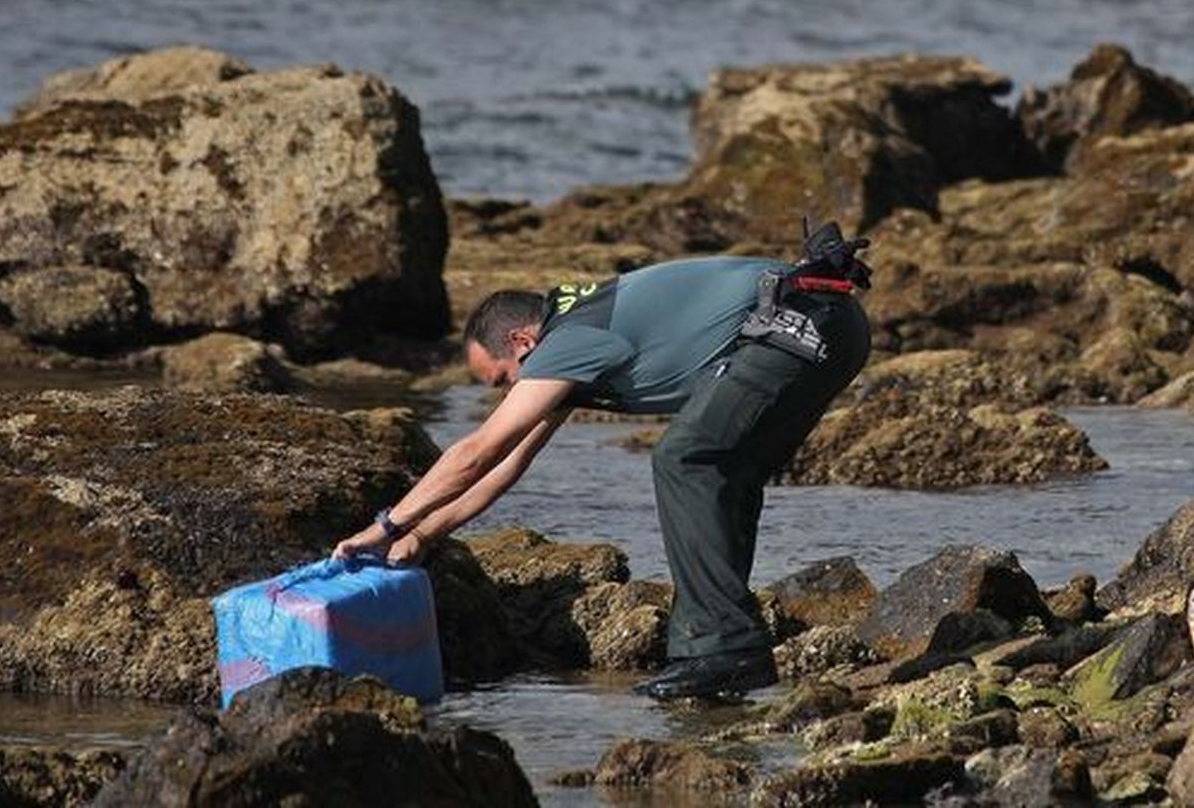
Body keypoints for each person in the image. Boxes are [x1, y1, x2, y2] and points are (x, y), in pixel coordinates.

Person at [333, 224, 872, 699]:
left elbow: (478, 451)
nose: (504, 394)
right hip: (824, 323)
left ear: (523, 340)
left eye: (502, 379)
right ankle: (725, 653)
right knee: (720, 469)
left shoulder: (569, 339)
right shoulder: (572, 341)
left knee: (688, 459)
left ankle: (726, 650)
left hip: (805, 322)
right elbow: (507, 464)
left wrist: (386, 524)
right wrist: (423, 535)